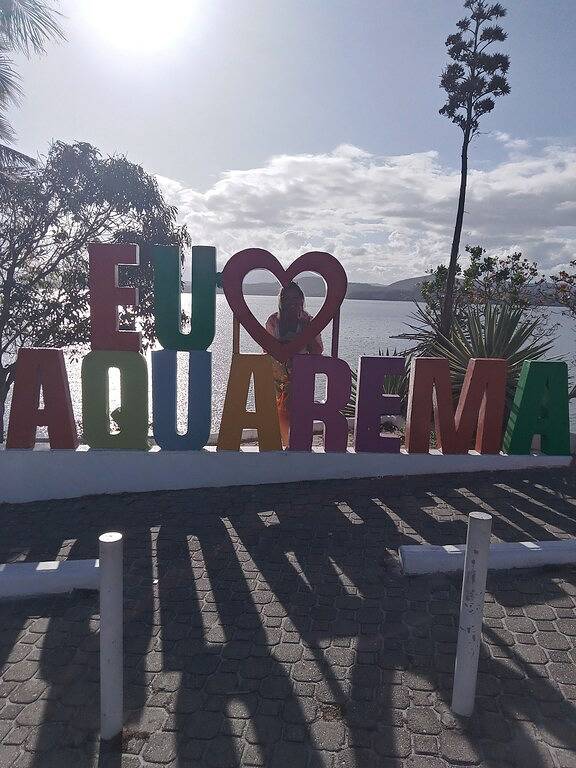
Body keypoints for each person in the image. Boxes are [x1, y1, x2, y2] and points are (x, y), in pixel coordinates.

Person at [265, 282, 323, 446]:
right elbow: (266, 348)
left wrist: (306, 331)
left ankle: (296, 446)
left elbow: (317, 350)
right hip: (278, 377)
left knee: (300, 412)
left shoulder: (309, 321)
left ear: (302, 299)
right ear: (281, 300)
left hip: (300, 375)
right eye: (287, 298)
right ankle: (284, 444)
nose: (292, 302)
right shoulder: (273, 321)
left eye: (295, 297)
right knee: (279, 412)